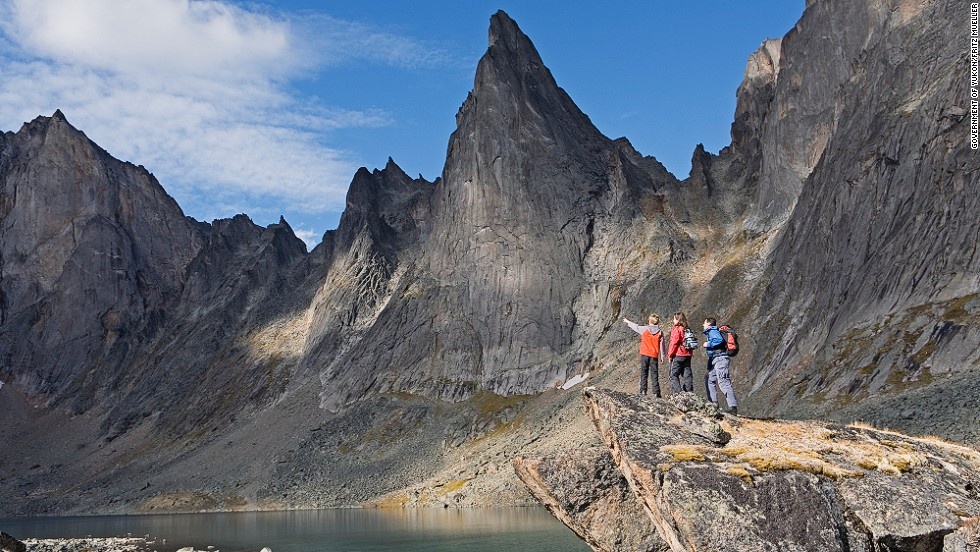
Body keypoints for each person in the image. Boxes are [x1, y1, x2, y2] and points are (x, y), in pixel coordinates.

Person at [623, 314, 665, 396]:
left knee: (644, 372)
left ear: (649, 321)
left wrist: (628, 322)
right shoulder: (660, 332)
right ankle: (656, 392)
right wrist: (662, 355)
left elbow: (636, 327)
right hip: (654, 355)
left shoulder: (645, 329)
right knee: (654, 374)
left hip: (645, 354)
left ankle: (643, 391)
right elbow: (662, 344)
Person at [703, 317, 738, 415]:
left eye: (704, 323)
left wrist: (708, 344)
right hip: (716, 359)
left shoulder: (712, 331)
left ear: (709, 324)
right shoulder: (712, 331)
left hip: (720, 359)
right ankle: (713, 405)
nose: (703, 325)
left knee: (723, 382)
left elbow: (719, 340)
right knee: (709, 379)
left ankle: (733, 407)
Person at [666, 312, 694, 393]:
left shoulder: (677, 329)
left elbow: (674, 343)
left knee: (673, 375)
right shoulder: (687, 329)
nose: (673, 320)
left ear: (678, 319)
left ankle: (679, 395)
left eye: (674, 319)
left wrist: (670, 355)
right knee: (687, 374)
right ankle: (690, 392)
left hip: (678, 355)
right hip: (687, 355)